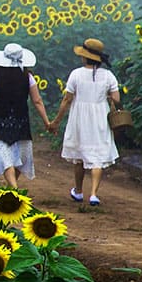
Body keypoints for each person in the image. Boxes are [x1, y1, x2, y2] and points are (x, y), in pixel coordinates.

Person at [47, 38, 122, 207]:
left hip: (80, 117)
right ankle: (94, 194)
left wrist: (56, 121)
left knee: (80, 156)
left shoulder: (76, 74)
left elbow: (67, 99)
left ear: (84, 57)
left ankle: (79, 191)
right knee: (97, 155)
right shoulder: (108, 75)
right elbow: (116, 98)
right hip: (100, 116)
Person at [0, 42, 51, 189]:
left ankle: (13, 187)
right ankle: (13, 187)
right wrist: (46, 122)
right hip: (21, 120)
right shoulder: (28, 77)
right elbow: (37, 101)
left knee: (4, 156)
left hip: (1, 119)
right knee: (21, 157)